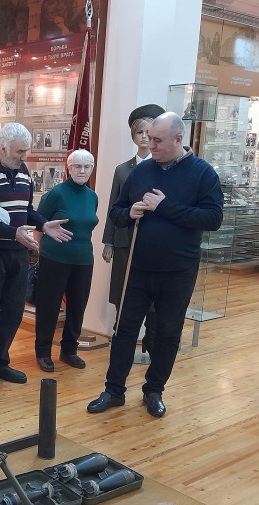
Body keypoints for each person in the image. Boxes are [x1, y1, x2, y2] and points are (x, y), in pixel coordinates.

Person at [87, 112, 223, 418]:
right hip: (138, 267)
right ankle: (113, 390)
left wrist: (165, 207)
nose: (151, 144)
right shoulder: (142, 171)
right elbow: (116, 211)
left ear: (178, 139)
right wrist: (129, 212)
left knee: (167, 332)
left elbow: (213, 218)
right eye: (149, 138)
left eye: (158, 140)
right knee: (124, 329)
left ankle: (154, 391)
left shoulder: (202, 173)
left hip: (178, 271)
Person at [0, 122, 72, 390]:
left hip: (18, 252)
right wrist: (13, 233)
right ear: (2, 147)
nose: (25, 157)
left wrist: (43, 225)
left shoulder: (23, 171)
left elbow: (26, 211)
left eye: (26, 151)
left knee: (13, 310)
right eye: (20, 151)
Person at [102, 104, 165, 356]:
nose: (144, 137)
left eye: (149, 132)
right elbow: (113, 205)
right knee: (122, 289)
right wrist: (108, 241)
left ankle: (152, 337)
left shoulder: (164, 168)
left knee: (153, 293)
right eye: (139, 132)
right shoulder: (122, 170)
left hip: (152, 242)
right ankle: (122, 337)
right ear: (133, 135)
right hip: (124, 240)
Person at [34, 149, 98, 371]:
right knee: (49, 307)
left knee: (77, 307)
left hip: (84, 259)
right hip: (55, 258)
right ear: (69, 168)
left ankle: (69, 350)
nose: (82, 170)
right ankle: (43, 352)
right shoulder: (56, 194)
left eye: (87, 166)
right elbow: (39, 223)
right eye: (77, 166)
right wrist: (39, 249)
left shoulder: (92, 196)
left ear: (92, 169)